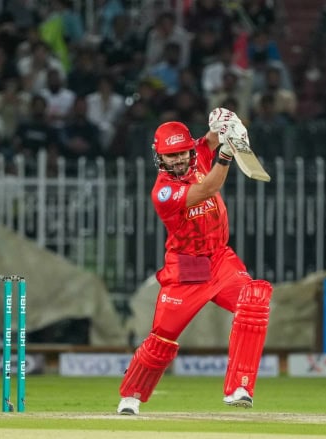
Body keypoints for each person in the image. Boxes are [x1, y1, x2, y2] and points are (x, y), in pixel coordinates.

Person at [115, 108, 273, 415]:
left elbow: (211, 139)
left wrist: (225, 123)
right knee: (162, 338)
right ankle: (131, 394)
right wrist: (226, 154)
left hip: (220, 258)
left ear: (189, 150)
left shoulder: (197, 154)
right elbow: (207, 188)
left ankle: (240, 386)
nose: (178, 160)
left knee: (254, 300)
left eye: (182, 153)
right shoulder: (163, 192)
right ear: (159, 157)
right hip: (187, 266)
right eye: (170, 155)